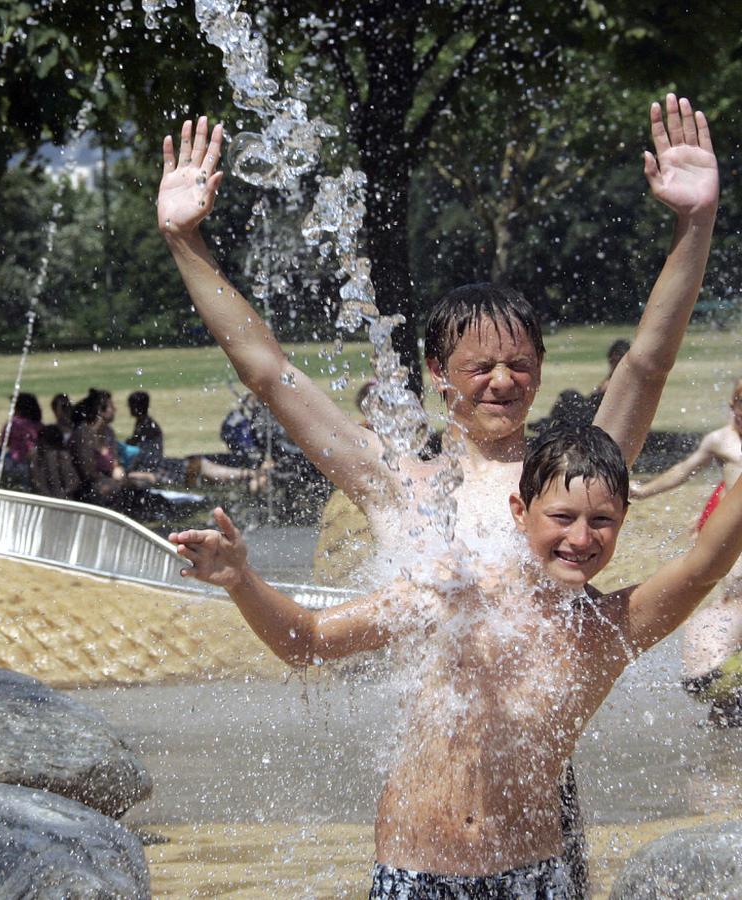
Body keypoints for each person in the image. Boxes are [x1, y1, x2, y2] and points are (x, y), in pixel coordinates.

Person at [157, 94, 717, 884]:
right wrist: (186, 241)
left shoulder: (570, 477)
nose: (502, 381)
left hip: (537, 831)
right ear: (436, 377)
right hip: (419, 843)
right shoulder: (398, 488)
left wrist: (694, 225)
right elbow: (269, 373)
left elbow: (647, 363)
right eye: (479, 365)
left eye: (520, 364)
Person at [171, 425, 742, 896]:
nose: (581, 538)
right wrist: (241, 580)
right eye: (562, 517)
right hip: (416, 870)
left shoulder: (609, 627)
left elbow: (705, 562)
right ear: (520, 510)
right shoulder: (452, 592)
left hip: (535, 877)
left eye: (602, 521)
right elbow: (310, 640)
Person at [631, 378, 742, 725]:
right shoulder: (721, 440)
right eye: (739, 405)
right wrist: (644, 491)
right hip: (734, 538)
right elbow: (684, 469)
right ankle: (723, 698)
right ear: (732, 406)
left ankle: (725, 687)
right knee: (733, 597)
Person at [126, 390, 267, 491]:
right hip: (177, 467)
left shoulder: (147, 426)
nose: (130, 409)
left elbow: (148, 461)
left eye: (131, 405)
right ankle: (253, 476)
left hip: (179, 468)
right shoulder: (143, 424)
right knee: (217, 476)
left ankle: (254, 475)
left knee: (216, 474)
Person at [30, 424, 81, 499]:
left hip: (61, 498)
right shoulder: (38, 458)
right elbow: (37, 481)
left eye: (41, 442)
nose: (39, 444)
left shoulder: (62, 456)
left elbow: (73, 481)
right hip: (51, 498)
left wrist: (64, 493)